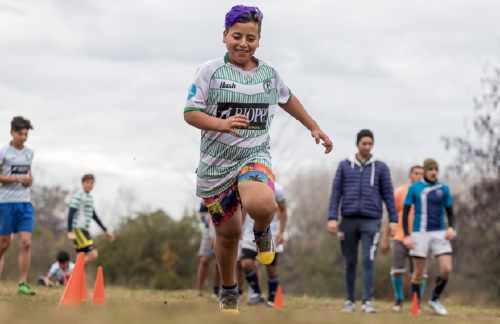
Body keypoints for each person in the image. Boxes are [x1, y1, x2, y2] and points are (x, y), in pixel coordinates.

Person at [183, 5, 332, 314]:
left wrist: (314, 127)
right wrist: (221, 124)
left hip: (254, 155)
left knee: (262, 205)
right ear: (224, 36)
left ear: (259, 40)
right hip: (216, 166)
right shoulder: (210, 71)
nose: (243, 43)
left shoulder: (268, 74)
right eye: (237, 36)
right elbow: (190, 113)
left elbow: (288, 99)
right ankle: (228, 292)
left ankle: (263, 232)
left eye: (250, 38)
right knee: (229, 235)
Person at [327, 129, 398, 313]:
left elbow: (389, 195)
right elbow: (336, 193)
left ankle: (367, 302)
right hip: (348, 220)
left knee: (368, 260)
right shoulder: (344, 165)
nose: (367, 147)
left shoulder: (380, 167)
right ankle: (350, 301)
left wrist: (393, 221)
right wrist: (332, 218)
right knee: (350, 262)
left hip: (372, 221)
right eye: (364, 143)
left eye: (370, 144)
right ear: (357, 144)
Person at [403, 159, 455, 316]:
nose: (434, 172)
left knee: (446, 269)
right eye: (431, 169)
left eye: (436, 169)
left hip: (439, 233)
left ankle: (435, 299)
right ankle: (415, 305)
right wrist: (406, 235)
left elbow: (450, 212)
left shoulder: (443, 189)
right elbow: (405, 214)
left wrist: (451, 227)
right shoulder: (414, 188)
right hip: (420, 233)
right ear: (425, 171)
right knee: (418, 272)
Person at [381, 165, 427, 311]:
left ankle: (416, 301)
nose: (419, 176)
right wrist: (385, 238)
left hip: (420, 238)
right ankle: (399, 299)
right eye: (416, 173)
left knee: (420, 272)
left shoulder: (427, 192)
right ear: (410, 175)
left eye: (422, 173)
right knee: (397, 270)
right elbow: (392, 216)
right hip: (400, 236)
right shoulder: (400, 192)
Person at [0, 116, 36, 295]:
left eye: (26, 134)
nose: (23, 137)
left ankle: (22, 283)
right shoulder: (3, 152)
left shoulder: (30, 153)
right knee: (3, 244)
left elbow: (28, 174)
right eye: (20, 134)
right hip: (6, 204)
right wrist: (15, 179)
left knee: (26, 243)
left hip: (25, 203)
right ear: (12, 133)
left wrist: (29, 181)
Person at [241, 182, 287, 308]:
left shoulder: (277, 189)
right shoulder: (247, 185)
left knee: (270, 267)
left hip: (270, 232)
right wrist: (241, 226)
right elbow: (244, 207)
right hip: (250, 233)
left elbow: (283, 210)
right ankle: (258, 292)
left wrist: (281, 232)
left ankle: (271, 300)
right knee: (246, 264)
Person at [67, 174, 115, 266]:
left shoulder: (90, 198)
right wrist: (69, 231)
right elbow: (71, 212)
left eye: (91, 183)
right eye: (87, 182)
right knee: (93, 255)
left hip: (85, 230)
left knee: (80, 257)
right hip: (78, 230)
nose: (89, 185)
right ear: (82, 183)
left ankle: (72, 278)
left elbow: (94, 216)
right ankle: (70, 274)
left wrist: (106, 231)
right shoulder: (79, 195)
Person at [196, 201, 221, 298]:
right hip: (208, 229)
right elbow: (202, 213)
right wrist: (211, 231)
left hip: (223, 228)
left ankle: (216, 291)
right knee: (204, 260)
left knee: (218, 263)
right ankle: (199, 290)